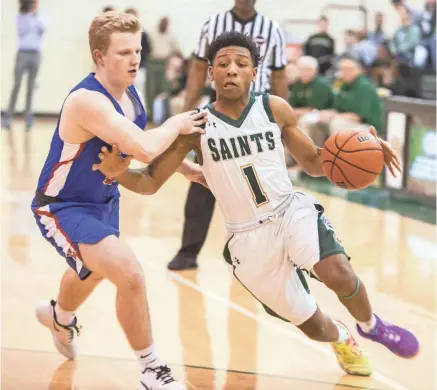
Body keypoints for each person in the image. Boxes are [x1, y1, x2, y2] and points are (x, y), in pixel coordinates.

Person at [94, 31, 419, 377]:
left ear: (254, 72)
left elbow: (313, 162)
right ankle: (341, 336)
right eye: (222, 64)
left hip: (289, 212)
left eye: (241, 63)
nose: (231, 70)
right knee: (313, 327)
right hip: (246, 239)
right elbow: (150, 181)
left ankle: (370, 324)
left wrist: (364, 147)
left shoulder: (273, 108)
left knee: (338, 272)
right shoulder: (195, 126)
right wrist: (120, 172)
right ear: (211, 74)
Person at [31, 11, 207, 390]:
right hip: (62, 206)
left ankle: (59, 316)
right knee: (129, 273)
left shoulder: (129, 93)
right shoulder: (86, 101)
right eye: (124, 52)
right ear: (99, 56)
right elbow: (143, 149)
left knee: (93, 270)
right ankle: (151, 370)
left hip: (105, 200)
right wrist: (176, 124)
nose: (135, 60)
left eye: (137, 51)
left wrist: (186, 169)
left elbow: (130, 146)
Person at [168, 0, 289, 271]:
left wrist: (282, 122)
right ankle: (188, 251)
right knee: (205, 177)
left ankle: (266, 252)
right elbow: (199, 68)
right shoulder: (213, 24)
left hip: (259, 108)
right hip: (220, 104)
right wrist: (188, 112)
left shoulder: (272, 29)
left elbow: (280, 76)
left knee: (261, 184)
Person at [2, 0, 46, 133]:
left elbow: (42, 29)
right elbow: (22, 31)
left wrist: (35, 15)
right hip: (23, 53)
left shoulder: (40, 16)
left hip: (36, 54)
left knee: (31, 87)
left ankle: (28, 118)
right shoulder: (21, 17)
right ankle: (8, 117)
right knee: (16, 86)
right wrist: (29, 16)